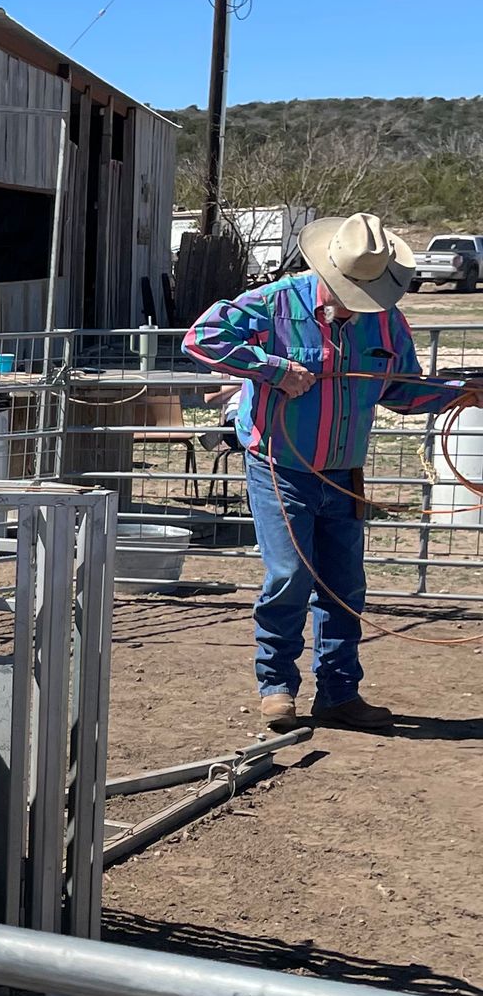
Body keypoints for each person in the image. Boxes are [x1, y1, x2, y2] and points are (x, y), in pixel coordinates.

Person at [187, 212, 480, 733]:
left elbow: (399, 389)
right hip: (281, 467)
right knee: (290, 575)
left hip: (343, 470)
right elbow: (200, 337)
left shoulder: (385, 318)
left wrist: (458, 393)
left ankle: (339, 692)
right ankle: (277, 685)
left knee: (344, 584)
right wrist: (274, 369)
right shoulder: (275, 302)